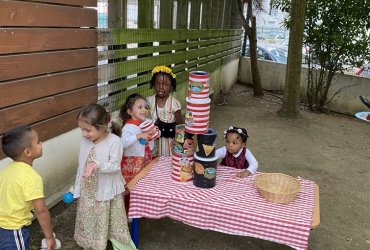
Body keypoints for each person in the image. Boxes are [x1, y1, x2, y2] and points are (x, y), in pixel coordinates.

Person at [73, 103, 136, 250]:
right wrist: (77, 189)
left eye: (88, 130)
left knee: (114, 225)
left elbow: (115, 166)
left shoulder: (114, 141)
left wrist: (97, 165)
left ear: (101, 126)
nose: (84, 134)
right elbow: (80, 167)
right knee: (89, 224)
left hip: (107, 193)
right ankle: (92, 246)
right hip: (88, 193)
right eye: (82, 130)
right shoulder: (84, 142)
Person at [0, 125, 56, 250]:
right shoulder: (31, 177)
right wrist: (49, 237)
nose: (41, 143)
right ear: (28, 152)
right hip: (13, 230)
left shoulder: (5, 171)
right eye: (38, 141)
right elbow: (41, 211)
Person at [147, 65, 183, 157]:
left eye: (166, 84)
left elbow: (180, 125)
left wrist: (179, 143)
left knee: (167, 164)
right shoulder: (148, 101)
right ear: (153, 84)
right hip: (152, 142)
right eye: (158, 83)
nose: (161, 87)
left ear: (171, 87)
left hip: (169, 144)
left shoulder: (174, 104)